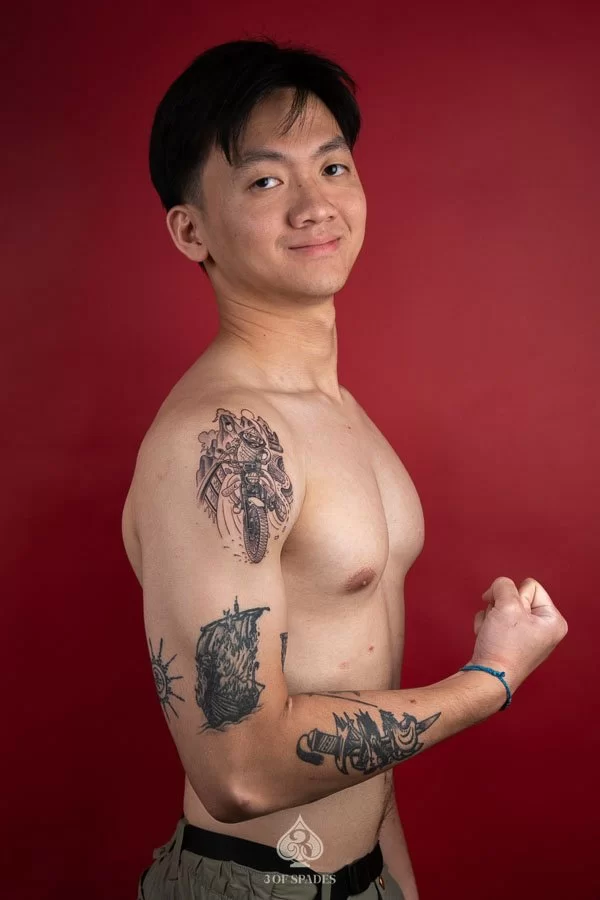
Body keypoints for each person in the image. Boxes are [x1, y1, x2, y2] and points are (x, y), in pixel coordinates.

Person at [121, 36, 569, 900]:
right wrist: (490, 682)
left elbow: (355, 710)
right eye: (264, 182)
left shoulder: (338, 413)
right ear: (190, 230)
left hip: (363, 877)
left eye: (332, 168)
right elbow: (241, 771)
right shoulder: (217, 441)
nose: (314, 206)